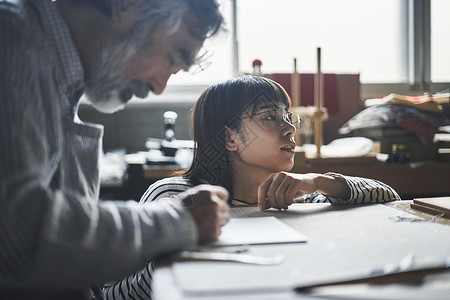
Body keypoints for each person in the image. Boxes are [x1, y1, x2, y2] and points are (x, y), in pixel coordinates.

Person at [0, 0, 230, 299]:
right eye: (173, 57)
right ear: (127, 5)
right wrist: (179, 221)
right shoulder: (12, 40)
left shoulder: (61, 78)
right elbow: (19, 235)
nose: (160, 87)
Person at [104, 75, 400, 299]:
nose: (290, 128)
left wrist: (319, 181)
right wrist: (180, 246)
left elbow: (389, 197)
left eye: (287, 115)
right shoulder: (176, 196)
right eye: (269, 117)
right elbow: (114, 292)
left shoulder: (299, 197)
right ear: (230, 138)